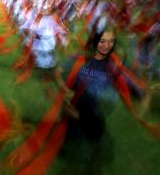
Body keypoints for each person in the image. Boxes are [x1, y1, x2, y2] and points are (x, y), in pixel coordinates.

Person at [55, 26, 144, 174]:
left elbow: (131, 84)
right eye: (103, 41)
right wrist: (64, 91)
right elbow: (58, 73)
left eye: (110, 42)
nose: (106, 45)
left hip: (95, 112)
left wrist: (140, 93)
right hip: (76, 106)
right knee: (72, 132)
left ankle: (91, 161)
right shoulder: (80, 59)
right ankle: (66, 149)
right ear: (96, 42)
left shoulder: (113, 66)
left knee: (94, 138)